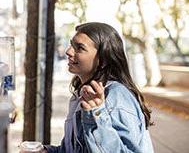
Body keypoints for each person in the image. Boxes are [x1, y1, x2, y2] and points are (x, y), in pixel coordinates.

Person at [43, 22, 154, 153]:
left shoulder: (116, 96)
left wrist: (95, 116)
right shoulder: (82, 94)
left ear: (103, 60)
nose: (68, 51)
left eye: (79, 48)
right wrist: (45, 151)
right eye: (71, 45)